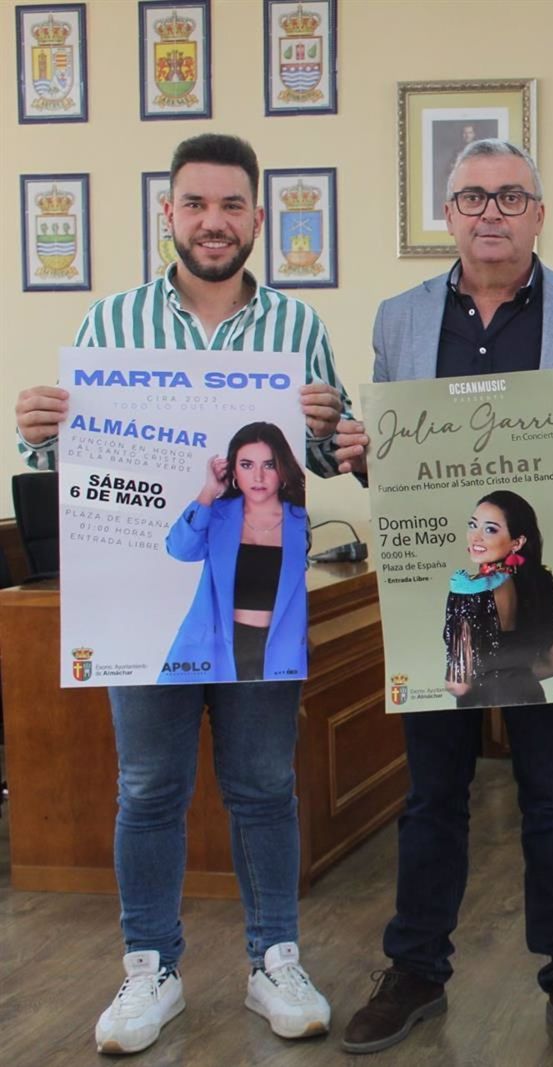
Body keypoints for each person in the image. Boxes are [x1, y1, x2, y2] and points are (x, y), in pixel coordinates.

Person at [13, 133, 349, 1055]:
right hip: (147, 609)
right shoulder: (109, 324)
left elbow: (325, 455)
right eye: (196, 204)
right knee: (148, 788)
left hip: (261, 610)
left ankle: (273, 957)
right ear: (168, 213)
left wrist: (339, 430)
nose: (215, 221)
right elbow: (65, 462)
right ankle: (148, 968)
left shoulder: (297, 327)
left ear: (258, 217)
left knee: (264, 786)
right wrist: (40, 431)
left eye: (233, 205)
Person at [334, 138, 553, 1063]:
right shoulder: (399, 318)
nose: (491, 213)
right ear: (449, 216)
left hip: (545, 591)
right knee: (432, 796)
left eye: (511, 197)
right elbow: (398, 462)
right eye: (471, 198)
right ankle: (416, 968)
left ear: (540, 214)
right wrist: (364, 451)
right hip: (440, 586)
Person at [161, 422, 309, 684]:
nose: (258, 477)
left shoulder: (300, 519)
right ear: (233, 471)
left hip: (277, 652)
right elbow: (180, 550)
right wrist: (208, 491)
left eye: (269, 465)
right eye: (247, 465)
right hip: (213, 649)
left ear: (283, 469)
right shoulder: (217, 513)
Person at [443, 490, 553, 707]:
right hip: (530, 700)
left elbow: (459, 684)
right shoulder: (541, 584)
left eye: (490, 529)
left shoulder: (468, 591)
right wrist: (515, 675)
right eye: (472, 525)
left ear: (517, 543)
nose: (476, 536)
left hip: (481, 707)